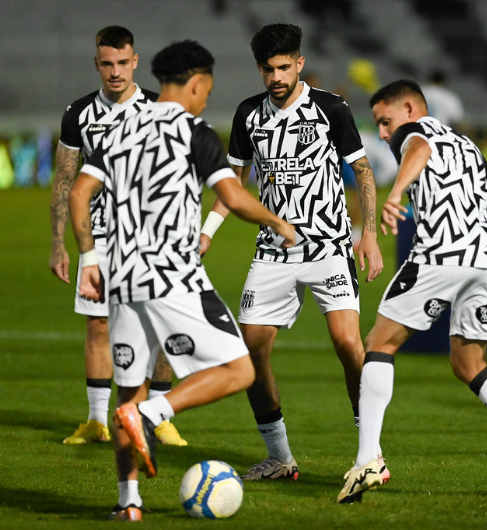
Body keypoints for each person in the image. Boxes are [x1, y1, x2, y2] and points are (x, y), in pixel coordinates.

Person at [68, 40, 296, 521]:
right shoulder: (194, 131)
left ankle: (128, 502)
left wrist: (90, 255)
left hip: (121, 278)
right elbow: (232, 197)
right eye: (206, 90)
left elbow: (81, 191)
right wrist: (277, 223)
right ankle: (154, 416)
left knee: (128, 390)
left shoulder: (115, 127)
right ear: (195, 83)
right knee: (240, 370)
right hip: (173, 276)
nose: (206, 99)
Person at [337, 80, 487, 504]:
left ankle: (368, 459)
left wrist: (397, 194)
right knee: (468, 362)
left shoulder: (413, 133)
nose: (384, 133)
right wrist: (480, 245)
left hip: (441, 256)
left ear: (409, 108)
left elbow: (417, 148)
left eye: (385, 122)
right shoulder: (467, 146)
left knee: (379, 343)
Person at [199, 23, 385, 482]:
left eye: (285, 67)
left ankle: (371, 455)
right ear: (259, 68)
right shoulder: (248, 115)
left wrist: (371, 236)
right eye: (268, 69)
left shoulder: (331, 109)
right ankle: (280, 457)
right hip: (272, 252)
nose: (277, 76)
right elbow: (233, 185)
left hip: (329, 248)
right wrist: (206, 234)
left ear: (299, 63)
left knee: (348, 344)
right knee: (251, 353)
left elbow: (362, 170)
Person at [48, 25, 186, 446]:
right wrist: (59, 243)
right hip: (100, 239)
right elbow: (64, 182)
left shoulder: (159, 108)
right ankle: (96, 421)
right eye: (106, 63)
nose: (114, 72)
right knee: (98, 327)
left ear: (135, 62)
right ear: (97, 63)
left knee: (163, 327)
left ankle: (159, 417)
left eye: (122, 63)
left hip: (152, 240)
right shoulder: (78, 114)